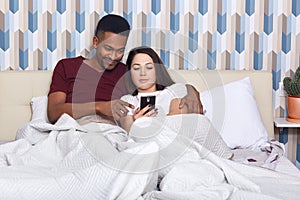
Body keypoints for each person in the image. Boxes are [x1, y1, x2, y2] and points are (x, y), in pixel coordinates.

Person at [47, 14, 202, 125]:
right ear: (95, 42)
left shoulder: (127, 72)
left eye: (120, 50)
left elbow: (165, 86)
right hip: (74, 127)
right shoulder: (67, 66)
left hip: (111, 132)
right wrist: (101, 106)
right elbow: (53, 112)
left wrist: (191, 92)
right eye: (108, 48)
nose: (114, 56)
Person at [119, 46, 198, 132]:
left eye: (149, 67)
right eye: (136, 68)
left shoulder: (174, 90)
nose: (143, 73)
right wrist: (134, 121)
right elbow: (126, 128)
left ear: (157, 69)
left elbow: (177, 122)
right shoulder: (126, 100)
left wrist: (149, 125)